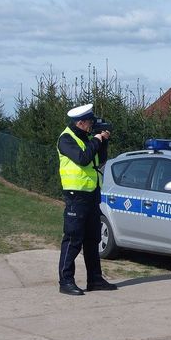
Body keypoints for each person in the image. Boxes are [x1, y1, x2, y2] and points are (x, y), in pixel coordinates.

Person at [57, 103, 117, 295]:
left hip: (91, 194)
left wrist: (103, 140)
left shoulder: (86, 137)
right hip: (76, 196)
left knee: (93, 239)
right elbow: (82, 159)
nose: (92, 125)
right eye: (90, 122)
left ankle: (95, 279)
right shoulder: (66, 139)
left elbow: (99, 160)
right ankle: (65, 281)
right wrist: (97, 139)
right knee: (73, 239)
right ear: (80, 122)